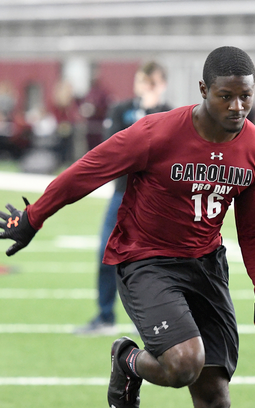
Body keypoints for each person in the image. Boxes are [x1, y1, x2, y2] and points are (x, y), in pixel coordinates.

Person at [0, 46, 255, 408]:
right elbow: (86, 172)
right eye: (226, 96)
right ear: (204, 90)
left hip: (206, 266)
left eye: (245, 97)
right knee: (184, 363)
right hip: (146, 259)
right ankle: (127, 360)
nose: (237, 108)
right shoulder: (156, 132)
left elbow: (254, 226)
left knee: (216, 403)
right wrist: (35, 217)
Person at [74, 61, 172, 336]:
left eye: (151, 83)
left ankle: (163, 322)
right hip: (123, 194)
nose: (146, 88)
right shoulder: (121, 110)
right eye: (143, 82)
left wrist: (152, 111)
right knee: (106, 252)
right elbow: (114, 148)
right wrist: (144, 114)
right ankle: (105, 315)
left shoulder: (171, 113)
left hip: (157, 200)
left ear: (162, 85)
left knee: (160, 261)